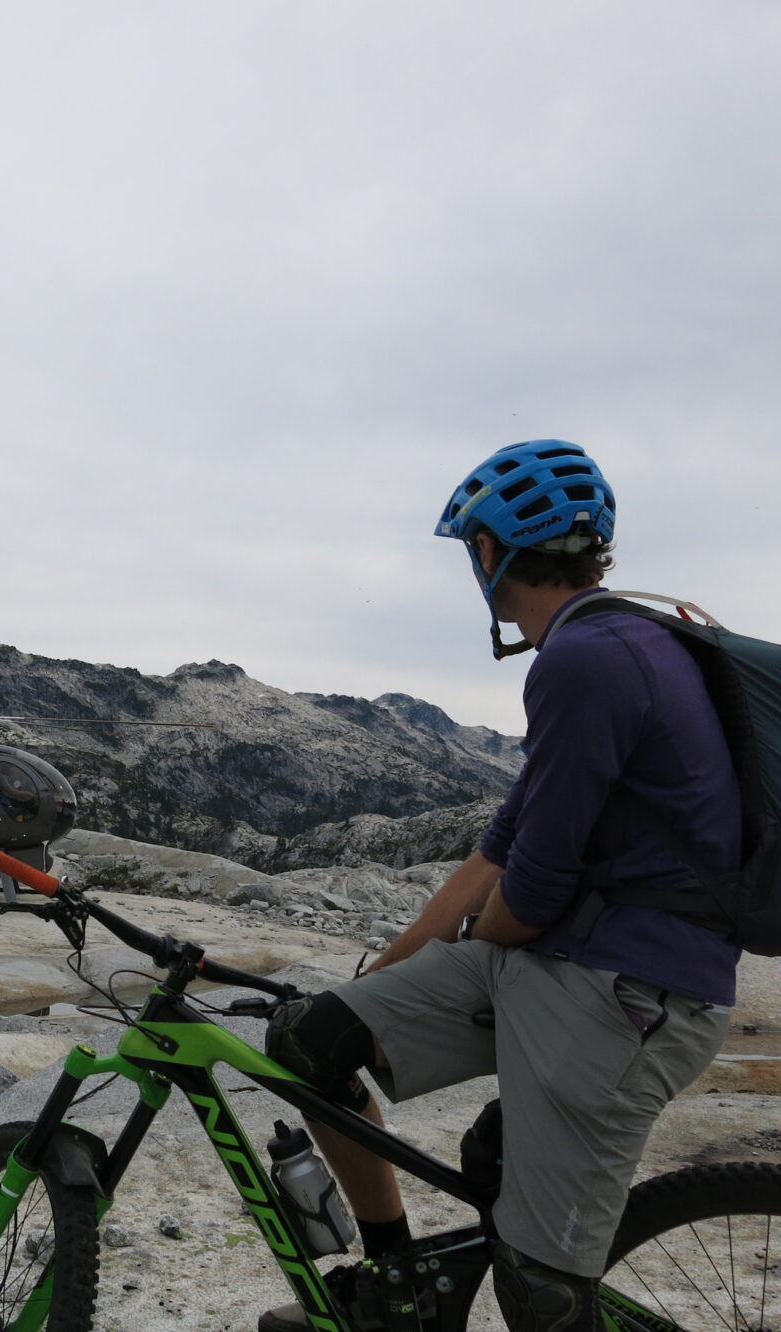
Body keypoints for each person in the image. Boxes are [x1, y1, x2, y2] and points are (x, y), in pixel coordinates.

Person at [259, 440, 737, 1332]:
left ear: (489, 553)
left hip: (629, 991)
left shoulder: (586, 660)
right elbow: (498, 855)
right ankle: (397, 1285)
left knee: (543, 1293)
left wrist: (487, 936)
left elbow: (536, 890)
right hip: (564, 967)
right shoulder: (610, 644)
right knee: (310, 1041)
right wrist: (382, 978)